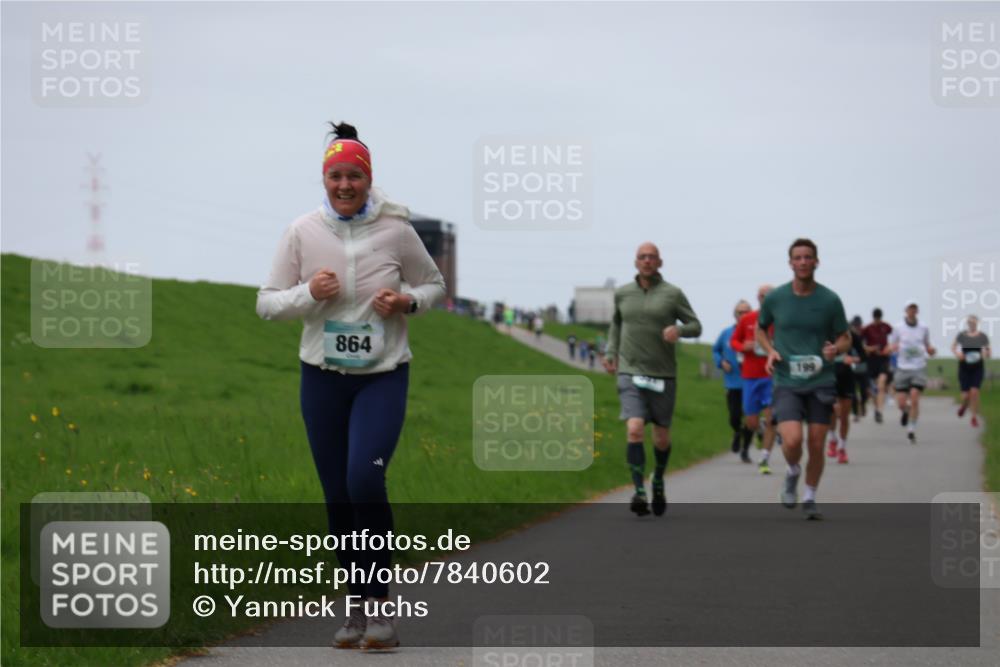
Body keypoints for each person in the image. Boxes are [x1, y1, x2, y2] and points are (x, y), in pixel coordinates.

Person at [256, 121, 445, 650]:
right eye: (336, 176)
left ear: (368, 179)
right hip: (321, 379)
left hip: (383, 377)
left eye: (354, 177)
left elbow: (433, 284)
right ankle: (356, 608)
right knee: (338, 496)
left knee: (365, 479)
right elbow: (267, 302)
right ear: (324, 179)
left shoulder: (397, 230)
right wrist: (308, 294)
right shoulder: (302, 232)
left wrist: (408, 302)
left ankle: (382, 606)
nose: (345, 186)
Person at [604, 242, 702, 517]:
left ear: (660, 263)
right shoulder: (623, 293)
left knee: (661, 437)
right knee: (634, 428)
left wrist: (679, 330)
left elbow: (696, 325)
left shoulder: (673, 294)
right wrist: (611, 352)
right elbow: (616, 324)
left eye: (652, 257)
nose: (647, 261)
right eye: (642, 257)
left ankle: (658, 479)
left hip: (663, 375)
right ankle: (639, 491)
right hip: (630, 371)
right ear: (635, 262)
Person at [756, 239, 849, 520]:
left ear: (816, 262)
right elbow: (760, 330)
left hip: (821, 379)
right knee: (793, 440)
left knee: (817, 444)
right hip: (787, 380)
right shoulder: (776, 298)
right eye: (798, 257)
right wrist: (771, 350)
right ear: (791, 263)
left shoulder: (830, 300)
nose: (803, 262)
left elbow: (845, 337)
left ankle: (809, 496)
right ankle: (793, 471)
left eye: (808, 257)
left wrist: (837, 349)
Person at [732, 285, 778, 473]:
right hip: (750, 376)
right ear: (758, 298)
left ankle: (765, 458)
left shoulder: (780, 320)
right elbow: (734, 341)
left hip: (772, 376)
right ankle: (759, 429)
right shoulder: (748, 319)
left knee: (771, 419)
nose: (765, 298)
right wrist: (744, 346)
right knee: (750, 421)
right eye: (762, 295)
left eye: (769, 295)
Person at [888, 301, 936, 444]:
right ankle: (905, 411)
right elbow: (891, 345)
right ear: (906, 311)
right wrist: (892, 348)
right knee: (901, 403)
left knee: (915, 397)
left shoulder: (924, 327)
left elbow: (928, 345)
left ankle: (911, 430)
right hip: (902, 367)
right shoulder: (898, 328)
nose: (912, 311)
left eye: (915, 309)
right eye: (910, 309)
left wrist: (931, 350)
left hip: (918, 367)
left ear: (917, 311)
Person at [713, 300, 752, 457]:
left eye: (746, 312)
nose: (743, 315)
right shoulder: (727, 333)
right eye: (740, 312)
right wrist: (721, 362)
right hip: (733, 382)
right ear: (735, 315)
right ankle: (738, 432)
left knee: (750, 417)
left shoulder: (755, 333)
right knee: (734, 417)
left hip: (751, 381)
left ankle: (745, 449)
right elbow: (716, 350)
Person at [827, 317, 865, 464]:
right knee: (831, 409)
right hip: (828, 376)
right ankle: (832, 439)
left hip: (846, 377)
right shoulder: (824, 333)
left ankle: (842, 448)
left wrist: (852, 359)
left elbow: (863, 355)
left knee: (844, 414)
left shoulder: (851, 335)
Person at [953, 314, 991, 428]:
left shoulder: (982, 336)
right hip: (964, 367)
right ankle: (964, 406)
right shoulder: (962, 335)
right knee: (965, 396)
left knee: (974, 392)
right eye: (970, 322)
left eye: (974, 322)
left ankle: (974, 417)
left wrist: (985, 353)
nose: (972, 324)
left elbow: (987, 350)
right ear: (968, 324)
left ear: (977, 324)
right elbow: (953, 347)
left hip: (977, 367)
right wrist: (958, 354)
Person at [862, 308, 893, 423]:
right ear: (873, 318)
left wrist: (889, 348)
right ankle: (876, 407)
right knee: (873, 389)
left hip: (883, 359)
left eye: (879, 319)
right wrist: (870, 348)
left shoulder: (887, 327)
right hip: (871, 360)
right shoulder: (867, 328)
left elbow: (894, 339)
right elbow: (861, 344)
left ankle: (879, 411)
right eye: (876, 319)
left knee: (881, 385)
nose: (877, 321)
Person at [848, 316, 870, 422]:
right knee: (853, 393)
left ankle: (863, 404)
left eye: (858, 325)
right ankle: (855, 413)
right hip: (851, 369)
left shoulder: (864, 336)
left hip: (863, 368)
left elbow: (867, 351)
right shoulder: (848, 337)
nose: (857, 327)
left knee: (864, 392)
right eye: (855, 325)